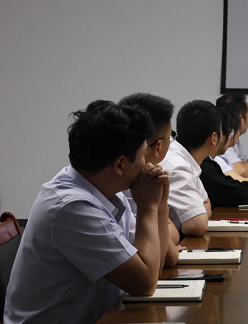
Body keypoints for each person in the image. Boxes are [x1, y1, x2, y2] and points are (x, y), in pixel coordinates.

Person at [4, 101, 170, 324]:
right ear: (120, 164)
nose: (145, 164)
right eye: (142, 155)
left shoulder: (105, 190)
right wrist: (149, 207)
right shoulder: (71, 207)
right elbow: (145, 283)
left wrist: (160, 204)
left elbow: (155, 266)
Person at [118, 93, 185, 267]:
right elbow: (169, 256)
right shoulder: (136, 181)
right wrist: (167, 235)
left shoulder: (127, 174)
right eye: (171, 137)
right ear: (158, 146)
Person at [161, 100, 218, 237]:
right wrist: (197, 214)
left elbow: (206, 204)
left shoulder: (186, 160)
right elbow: (197, 226)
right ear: (214, 138)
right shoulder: (178, 167)